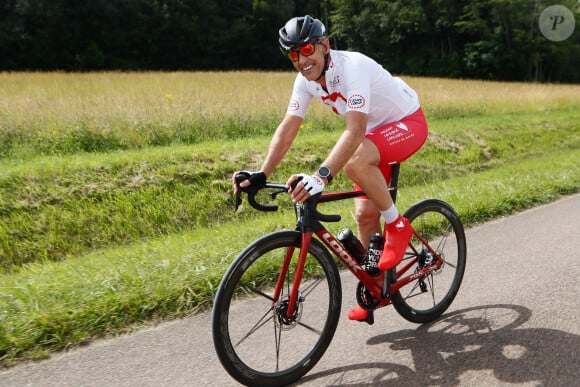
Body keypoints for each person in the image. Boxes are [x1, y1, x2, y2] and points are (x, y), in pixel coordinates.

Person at [233, 15, 428, 322]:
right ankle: (376, 289)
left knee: (354, 161)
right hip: (374, 135)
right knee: (364, 215)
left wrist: (321, 176)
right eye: (293, 54)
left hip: (405, 123)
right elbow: (288, 128)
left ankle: (399, 226)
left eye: (307, 49)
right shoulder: (306, 81)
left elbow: (355, 131)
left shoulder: (352, 68)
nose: (302, 60)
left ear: (324, 45)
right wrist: (262, 173)